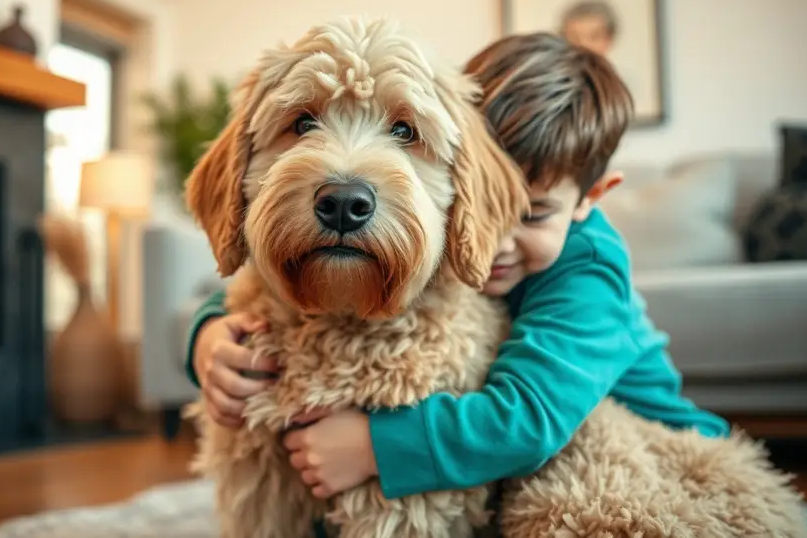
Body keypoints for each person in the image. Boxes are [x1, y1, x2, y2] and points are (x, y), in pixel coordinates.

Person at [184, 33, 731, 504]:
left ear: (592, 198)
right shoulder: (435, 225)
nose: (492, 241)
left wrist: (374, 446)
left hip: (652, 444)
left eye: (533, 213)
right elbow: (251, 290)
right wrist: (209, 334)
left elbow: (529, 417)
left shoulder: (586, 270)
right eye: (478, 204)